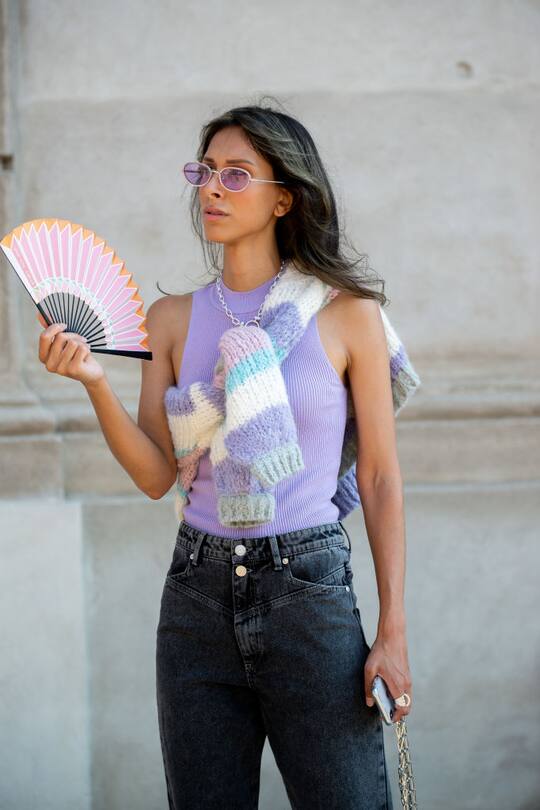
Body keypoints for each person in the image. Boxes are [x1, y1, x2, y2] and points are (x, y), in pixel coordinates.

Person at [37, 99, 412, 809]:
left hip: (309, 592)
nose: (211, 187)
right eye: (205, 171)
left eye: (236, 175)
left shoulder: (347, 314)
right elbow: (155, 476)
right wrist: (92, 382)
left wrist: (391, 628)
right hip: (195, 596)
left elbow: (382, 477)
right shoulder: (171, 319)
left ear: (284, 198)